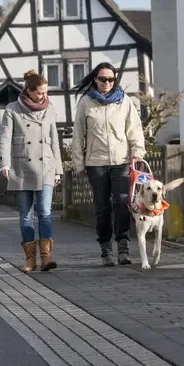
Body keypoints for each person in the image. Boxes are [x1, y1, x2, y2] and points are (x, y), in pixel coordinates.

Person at [71, 63, 145, 266]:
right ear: (95, 79)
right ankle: (106, 251)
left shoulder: (124, 101)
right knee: (103, 207)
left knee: (121, 204)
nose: (107, 83)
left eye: (111, 79)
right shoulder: (86, 102)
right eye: (103, 79)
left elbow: (135, 129)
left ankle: (123, 248)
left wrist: (138, 151)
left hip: (121, 161)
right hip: (96, 163)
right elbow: (78, 134)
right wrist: (78, 163)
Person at [0, 69, 63, 272]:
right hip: (21, 167)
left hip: (46, 167)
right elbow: (5, 138)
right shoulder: (12, 109)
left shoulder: (49, 109)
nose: (44, 96)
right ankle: (29, 259)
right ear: (29, 90)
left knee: (45, 212)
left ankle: (46, 257)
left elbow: (55, 141)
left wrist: (58, 170)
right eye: (40, 93)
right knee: (25, 214)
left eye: (45, 92)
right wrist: (4, 163)